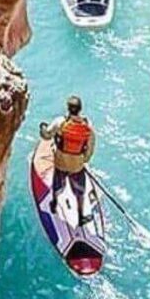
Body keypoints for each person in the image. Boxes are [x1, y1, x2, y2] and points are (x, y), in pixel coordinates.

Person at [40, 96, 96, 226]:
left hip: (61, 162)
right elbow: (90, 148)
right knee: (80, 191)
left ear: (68, 109)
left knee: (57, 185)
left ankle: (54, 204)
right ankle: (81, 216)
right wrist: (83, 160)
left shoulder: (60, 122)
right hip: (77, 165)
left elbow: (47, 135)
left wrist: (42, 128)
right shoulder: (88, 127)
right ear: (80, 109)